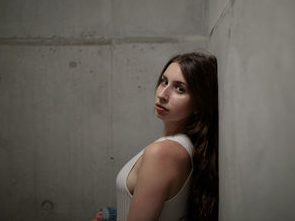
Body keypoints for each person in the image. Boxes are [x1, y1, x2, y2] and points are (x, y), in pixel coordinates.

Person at [92, 52, 218, 221]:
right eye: (164, 82)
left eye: (180, 88)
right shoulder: (182, 145)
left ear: (198, 104)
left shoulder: (162, 153)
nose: (162, 94)